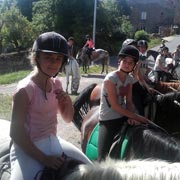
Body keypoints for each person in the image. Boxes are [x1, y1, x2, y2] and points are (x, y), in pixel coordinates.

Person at [9, 31, 91, 180]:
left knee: (90, 168)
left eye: (58, 58)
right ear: (37, 57)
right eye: (48, 57)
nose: (53, 63)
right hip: (27, 148)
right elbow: (15, 133)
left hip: (53, 141)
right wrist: (44, 159)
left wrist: (67, 103)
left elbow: (67, 118)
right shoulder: (25, 90)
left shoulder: (57, 84)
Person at [98, 45, 149, 162]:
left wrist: (132, 116)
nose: (127, 64)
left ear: (134, 66)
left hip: (122, 117)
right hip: (108, 120)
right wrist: (137, 116)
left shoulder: (129, 80)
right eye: (125, 61)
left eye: (131, 63)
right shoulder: (110, 79)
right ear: (119, 61)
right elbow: (115, 106)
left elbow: (129, 102)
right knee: (102, 158)